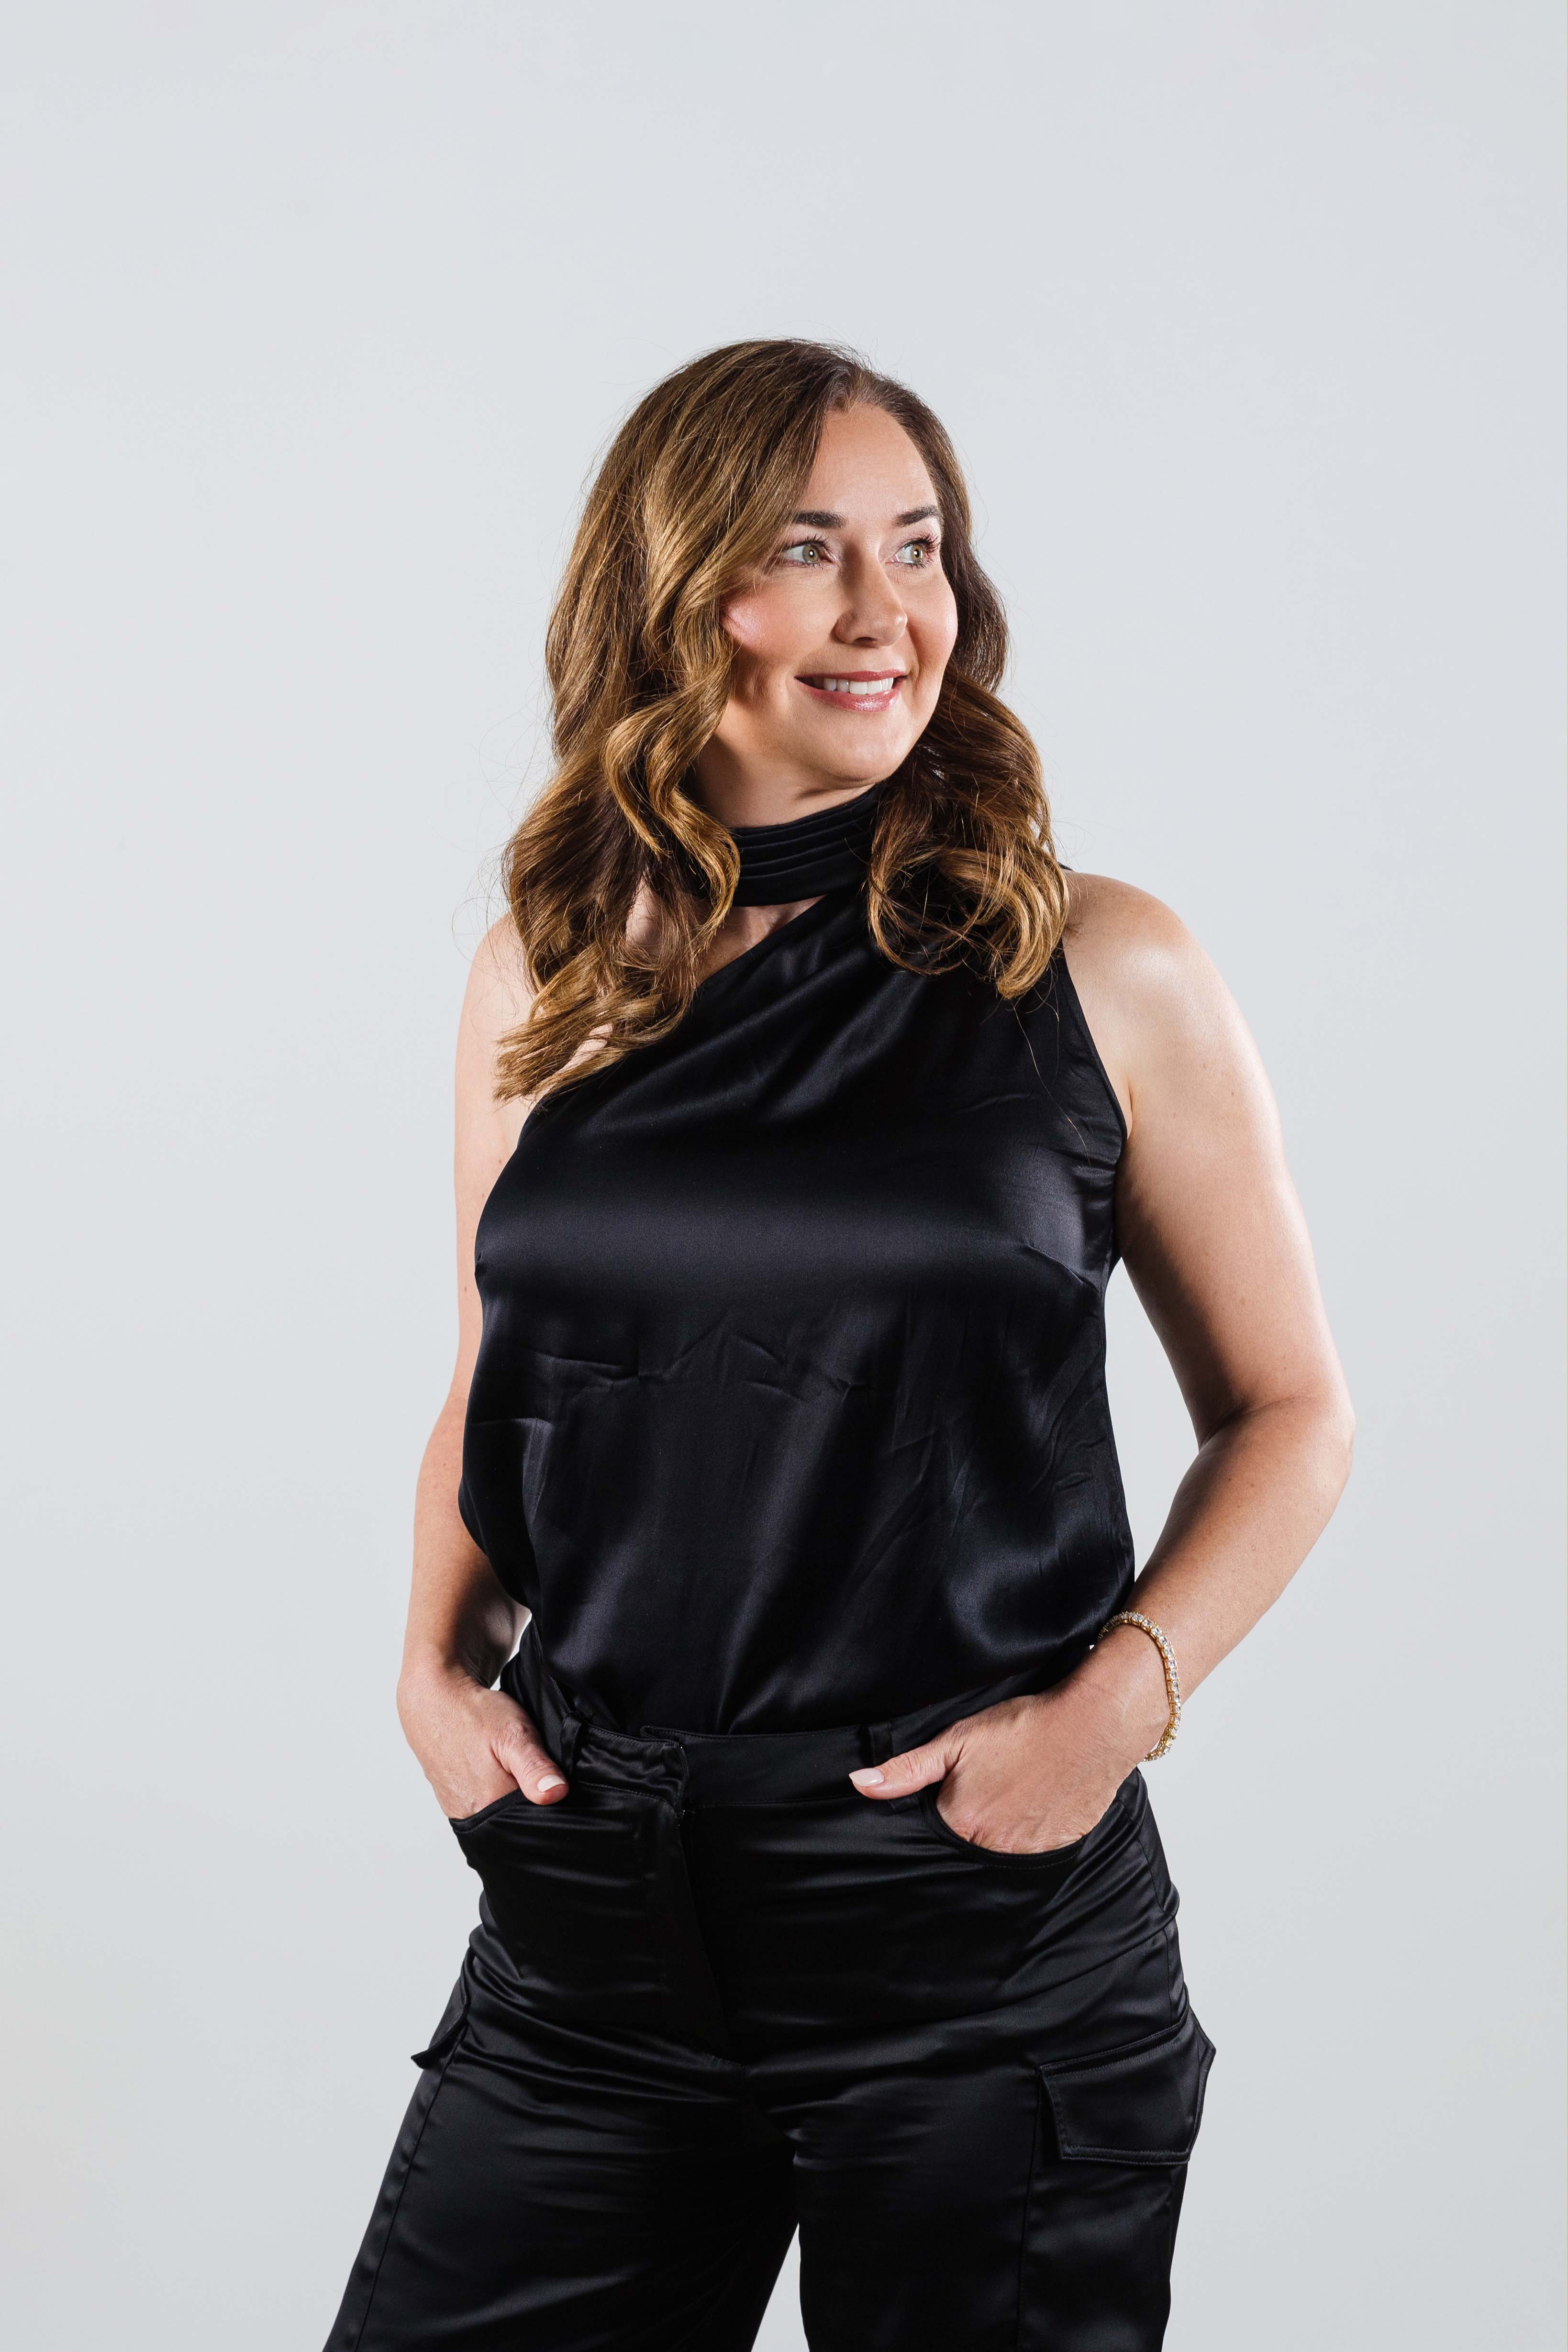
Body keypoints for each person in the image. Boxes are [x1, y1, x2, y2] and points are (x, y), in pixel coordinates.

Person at [323, 339, 1353, 2352]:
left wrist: (1112, 1710)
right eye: (807, 551)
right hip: (592, 1923)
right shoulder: (553, 962)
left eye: (920, 547)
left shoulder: (1098, 961)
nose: (889, 613)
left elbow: (1288, 1409)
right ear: (670, 586)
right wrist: (430, 1667)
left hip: (969, 1923)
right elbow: (489, 1371)